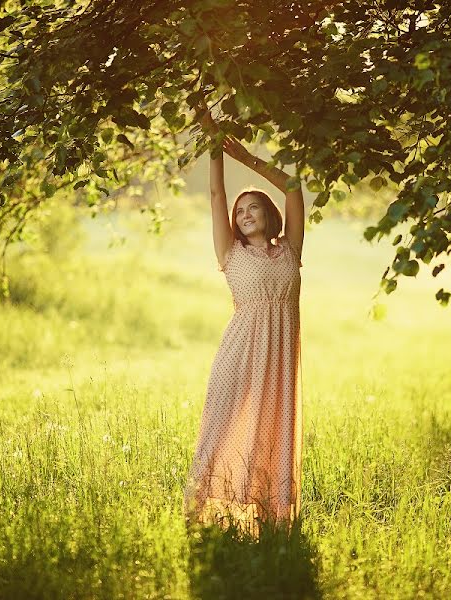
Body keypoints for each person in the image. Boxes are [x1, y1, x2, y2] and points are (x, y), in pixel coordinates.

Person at [183, 106, 306, 539]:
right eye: (240, 212)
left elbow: (292, 186)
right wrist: (215, 146)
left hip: (279, 361)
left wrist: (248, 160)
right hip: (240, 353)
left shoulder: (290, 248)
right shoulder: (231, 255)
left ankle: (269, 521)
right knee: (225, 427)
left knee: (271, 430)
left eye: (253, 208)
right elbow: (216, 196)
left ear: (270, 215)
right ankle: (201, 512)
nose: (244, 214)